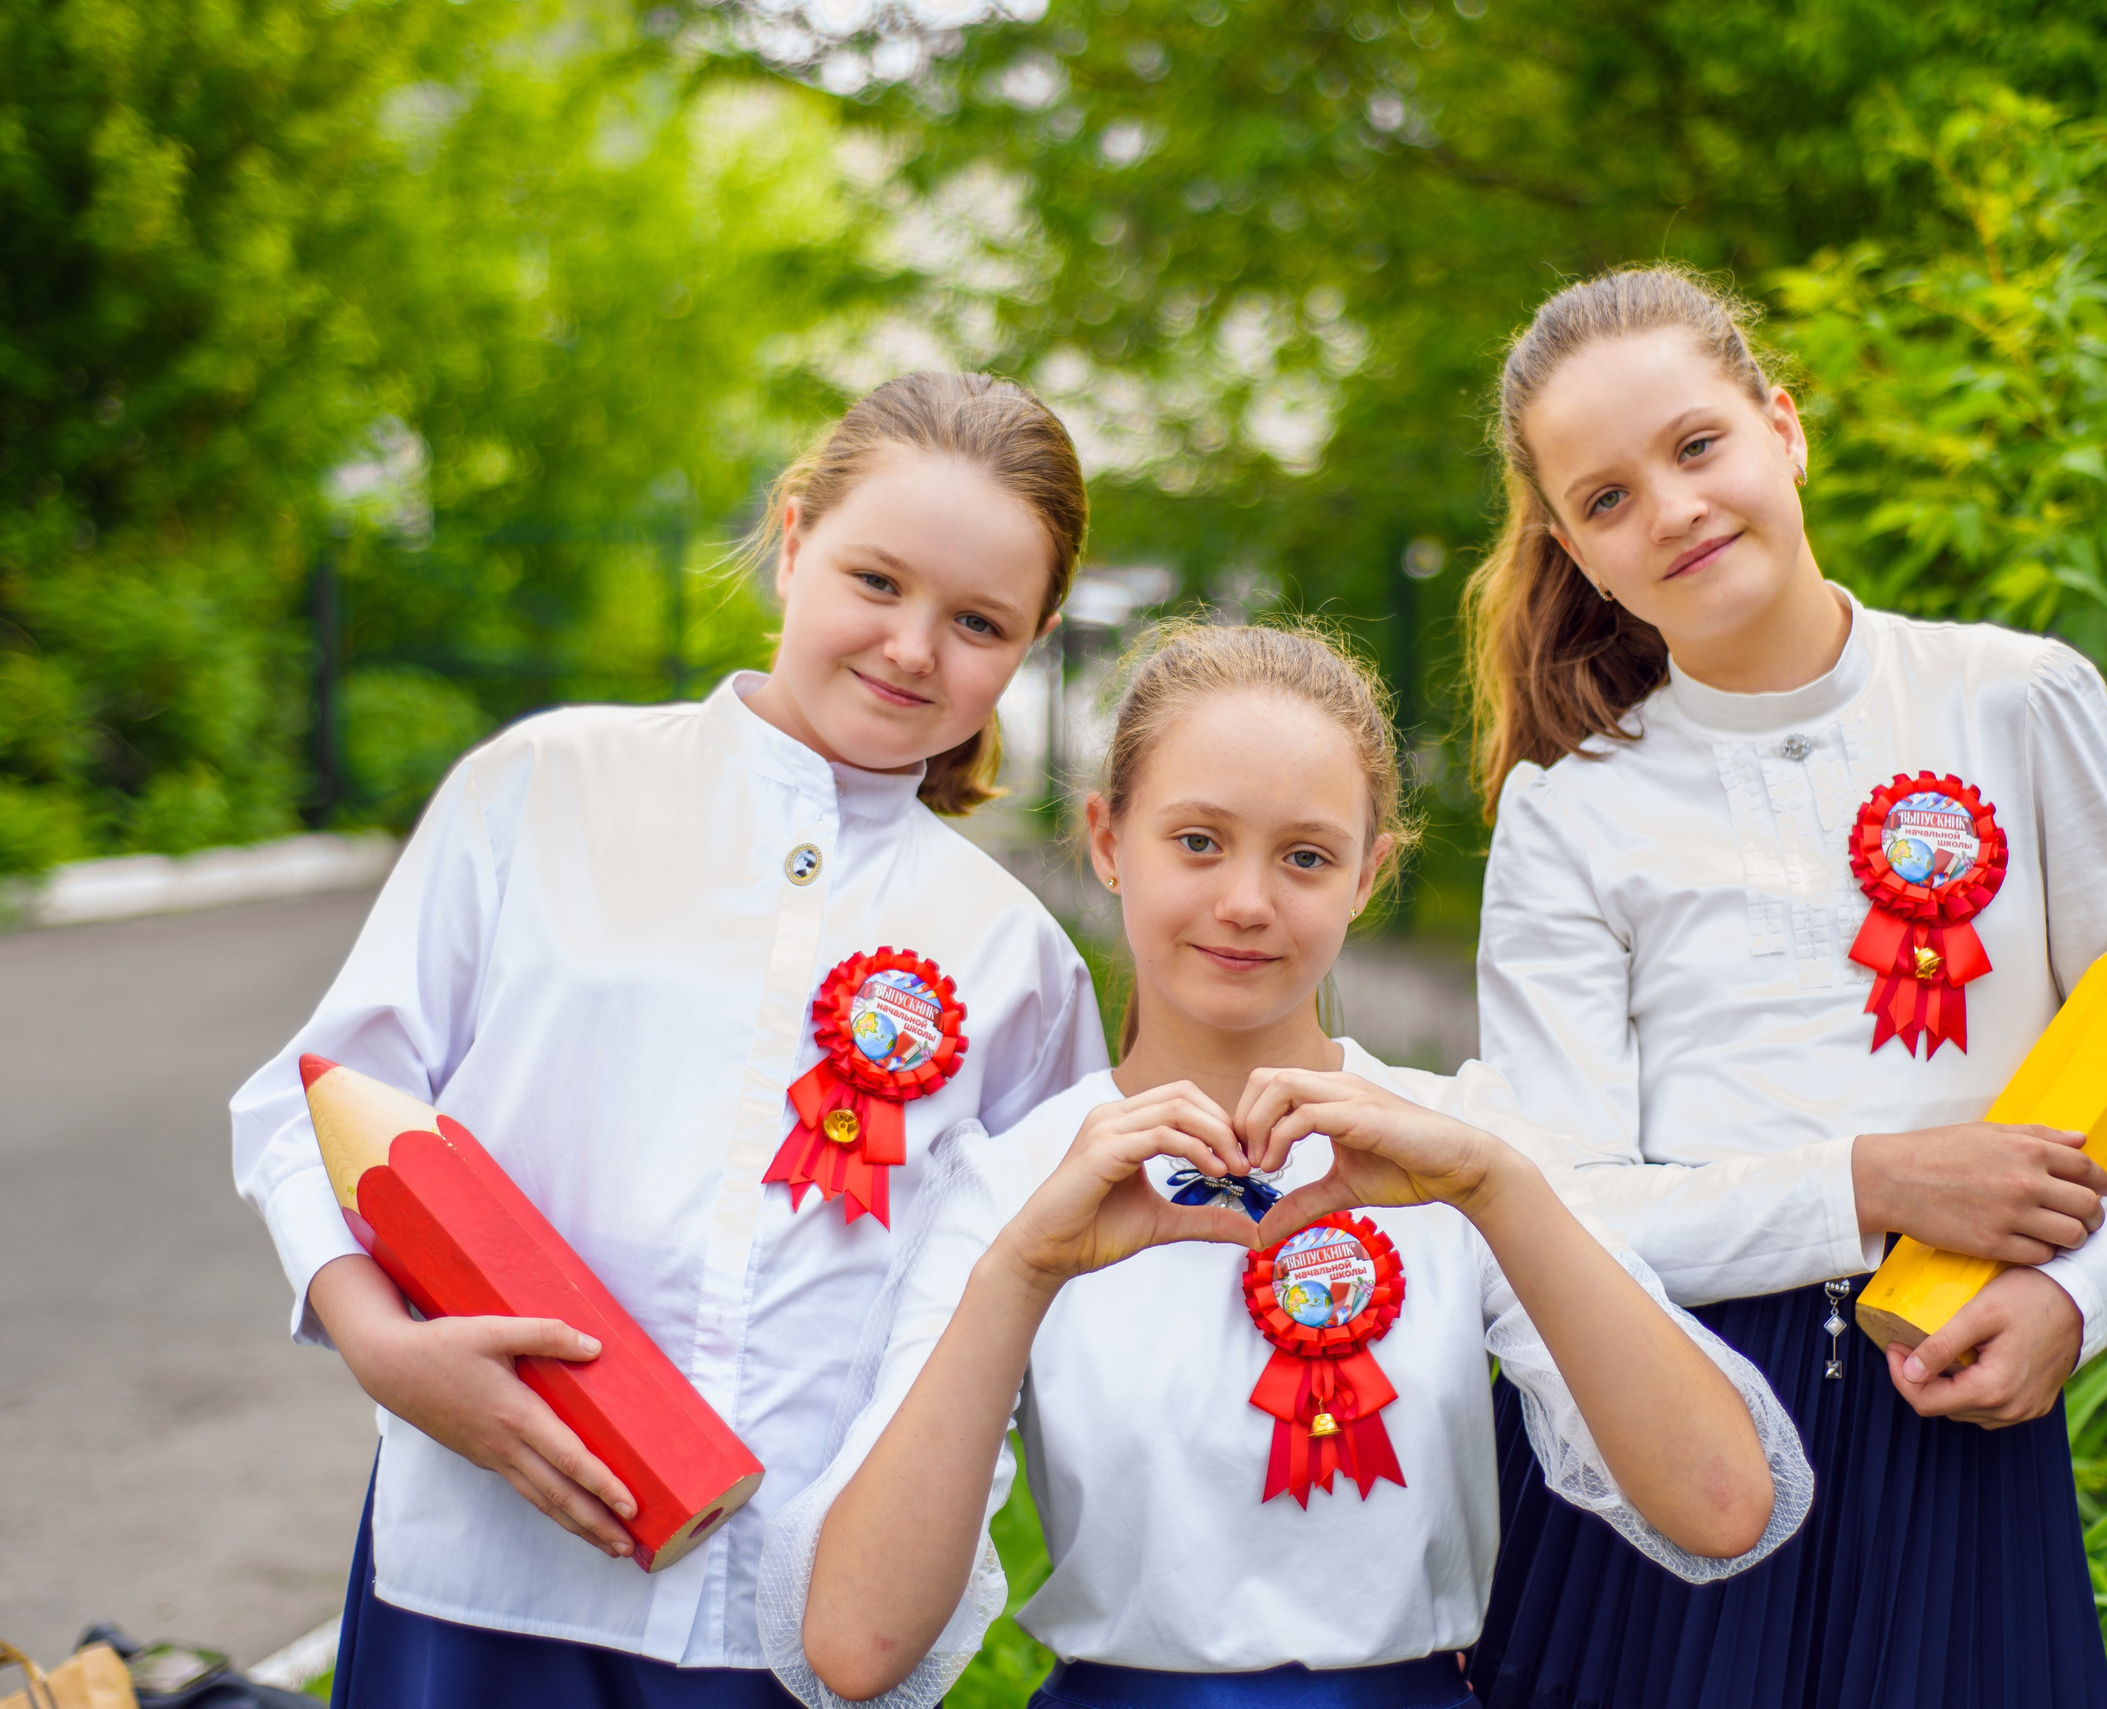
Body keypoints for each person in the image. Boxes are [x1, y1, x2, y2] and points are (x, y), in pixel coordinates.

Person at [229, 373, 1112, 1708]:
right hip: (478, 1574)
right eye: (877, 579)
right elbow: (320, 1100)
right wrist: (383, 1348)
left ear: (1032, 642)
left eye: (978, 621)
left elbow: (1039, 1308)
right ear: (796, 535)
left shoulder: (1017, 960)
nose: (915, 648)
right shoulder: (545, 787)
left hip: (779, 1622)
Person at [758, 622, 1812, 1709]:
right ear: (1108, 841)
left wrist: (1501, 1192)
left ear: (1369, 874)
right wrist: (1021, 1272)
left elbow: (1722, 1504)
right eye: (1198, 841)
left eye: (1305, 854)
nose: (1249, 901)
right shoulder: (1023, 1178)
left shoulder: (1458, 1143)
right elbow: (857, 1643)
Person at [1459, 265, 2107, 1709]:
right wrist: (1874, 1182)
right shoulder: (1567, 812)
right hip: (1670, 1435)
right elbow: (1556, 1207)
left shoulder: (2019, 698)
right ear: (1572, 543)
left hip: (1951, 1393)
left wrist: (2074, 1290)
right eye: (1608, 498)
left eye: (1697, 447)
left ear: (1784, 427)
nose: (1675, 509)